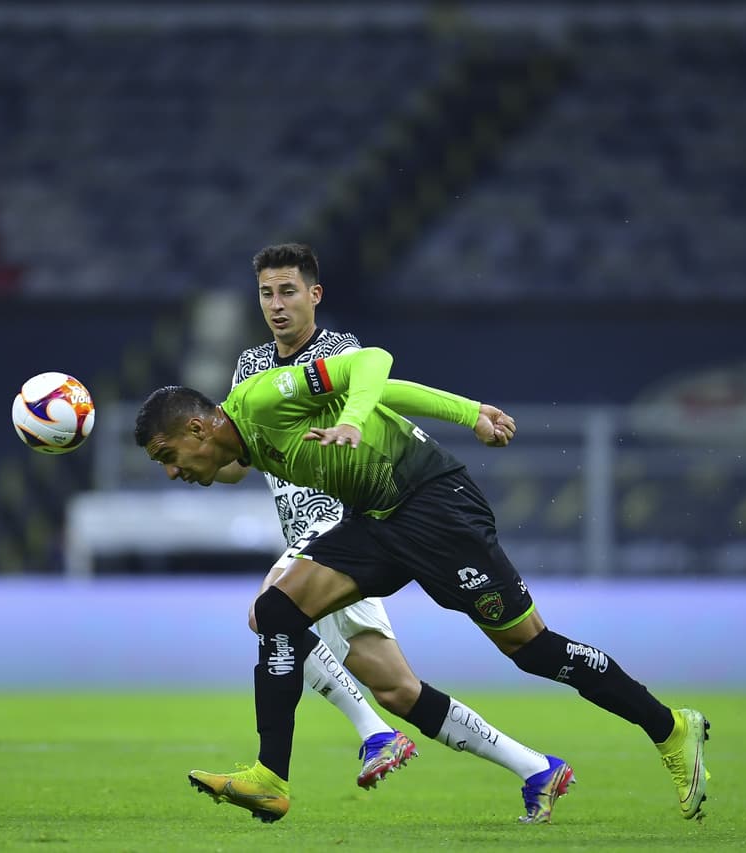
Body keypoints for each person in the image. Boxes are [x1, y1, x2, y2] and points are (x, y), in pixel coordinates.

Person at [134, 347, 710, 824]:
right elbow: (386, 393)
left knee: (532, 649)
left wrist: (366, 420)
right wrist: (470, 412)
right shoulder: (243, 440)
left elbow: (373, 364)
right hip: (377, 521)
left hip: (434, 506)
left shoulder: (262, 398)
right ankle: (270, 778)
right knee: (277, 611)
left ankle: (671, 727)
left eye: (168, 455)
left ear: (197, 428)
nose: (171, 471)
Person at [230, 242, 571, 820]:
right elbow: (239, 456)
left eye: (288, 291)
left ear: (314, 295)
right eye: (267, 293)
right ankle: (536, 767)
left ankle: (372, 734)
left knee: (269, 616)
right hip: (307, 535)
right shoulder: (249, 367)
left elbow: (386, 389)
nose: (277, 305)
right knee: (397, 689)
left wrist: (466, 412)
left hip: (344, 524)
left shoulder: (338, 352)